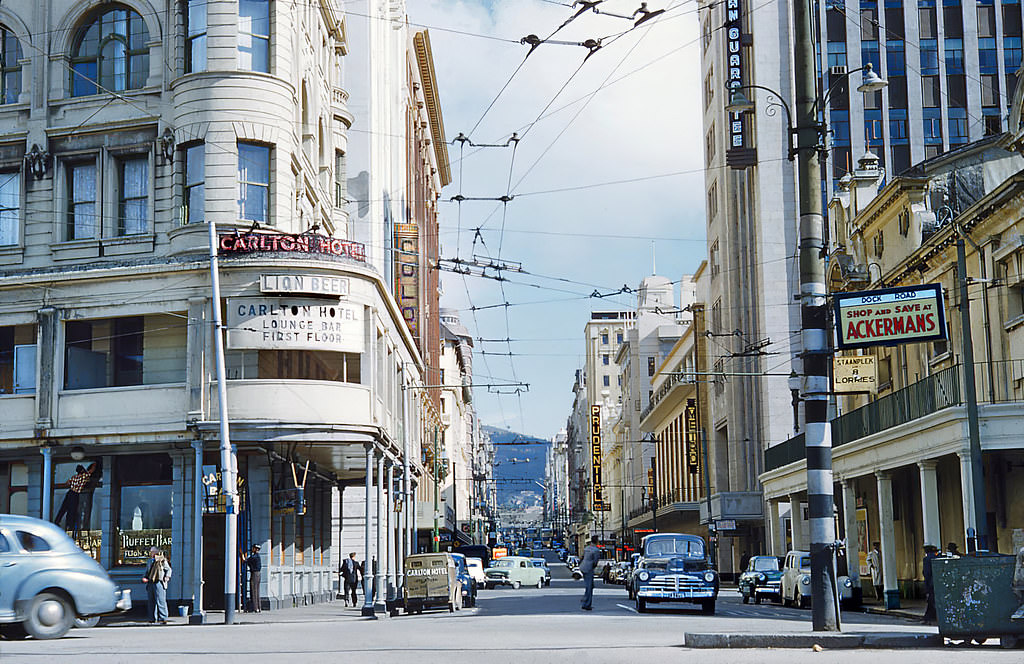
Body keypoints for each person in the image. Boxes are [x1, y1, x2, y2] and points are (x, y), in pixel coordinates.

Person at [53, 463, 97, 533]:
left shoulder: (74, 477)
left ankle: (57, 521)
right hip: (75, 494)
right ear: (82, 470)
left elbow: (67, 483)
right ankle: (70, 526)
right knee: (72, 510)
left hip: (69, 492)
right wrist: (94, 464)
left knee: (64, 508)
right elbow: (91, 471)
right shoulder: (84, 476)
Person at [142, 547, 171, 624]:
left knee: (161, 601)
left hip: (159, 582)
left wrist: (167, 577)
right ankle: (152, 618)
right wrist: (145, 577)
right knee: (151, 601)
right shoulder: (149, 561)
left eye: (152, 552)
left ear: (156, 552)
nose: (151, 553)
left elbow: (168, 569)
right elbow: (147, 571)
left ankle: (163, 618)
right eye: (150, 552)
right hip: (150, 582)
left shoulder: (162, 560)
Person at [579, 535, 601, 611]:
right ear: (597, 541)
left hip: (583, 567)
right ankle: (586, 603)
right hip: (589, 568)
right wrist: (593, 567)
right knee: (589, 587)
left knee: (589, 585)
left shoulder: (587, 548)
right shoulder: (596, 550)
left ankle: (585, 600)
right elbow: (595, 561)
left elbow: (581, 557)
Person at [242, 545, 262, 613]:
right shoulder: (257, 556)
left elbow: (245, 561)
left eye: (253, 548)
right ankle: (258, 607)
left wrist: (242, 554)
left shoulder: (254, 557)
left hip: (254, 574)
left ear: (255, 549)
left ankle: (255, 608)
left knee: (254, 590)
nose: (252, 549)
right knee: (257, 591)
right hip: (258, 574)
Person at [922, 543, 939, 624]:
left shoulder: (926, 559)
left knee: (931, 600)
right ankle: (928, 617)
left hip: (931, 583)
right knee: (932, 601)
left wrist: (926, 586)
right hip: (938, 582)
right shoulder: (937, 558)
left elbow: (927, 573)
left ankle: (929, 618)